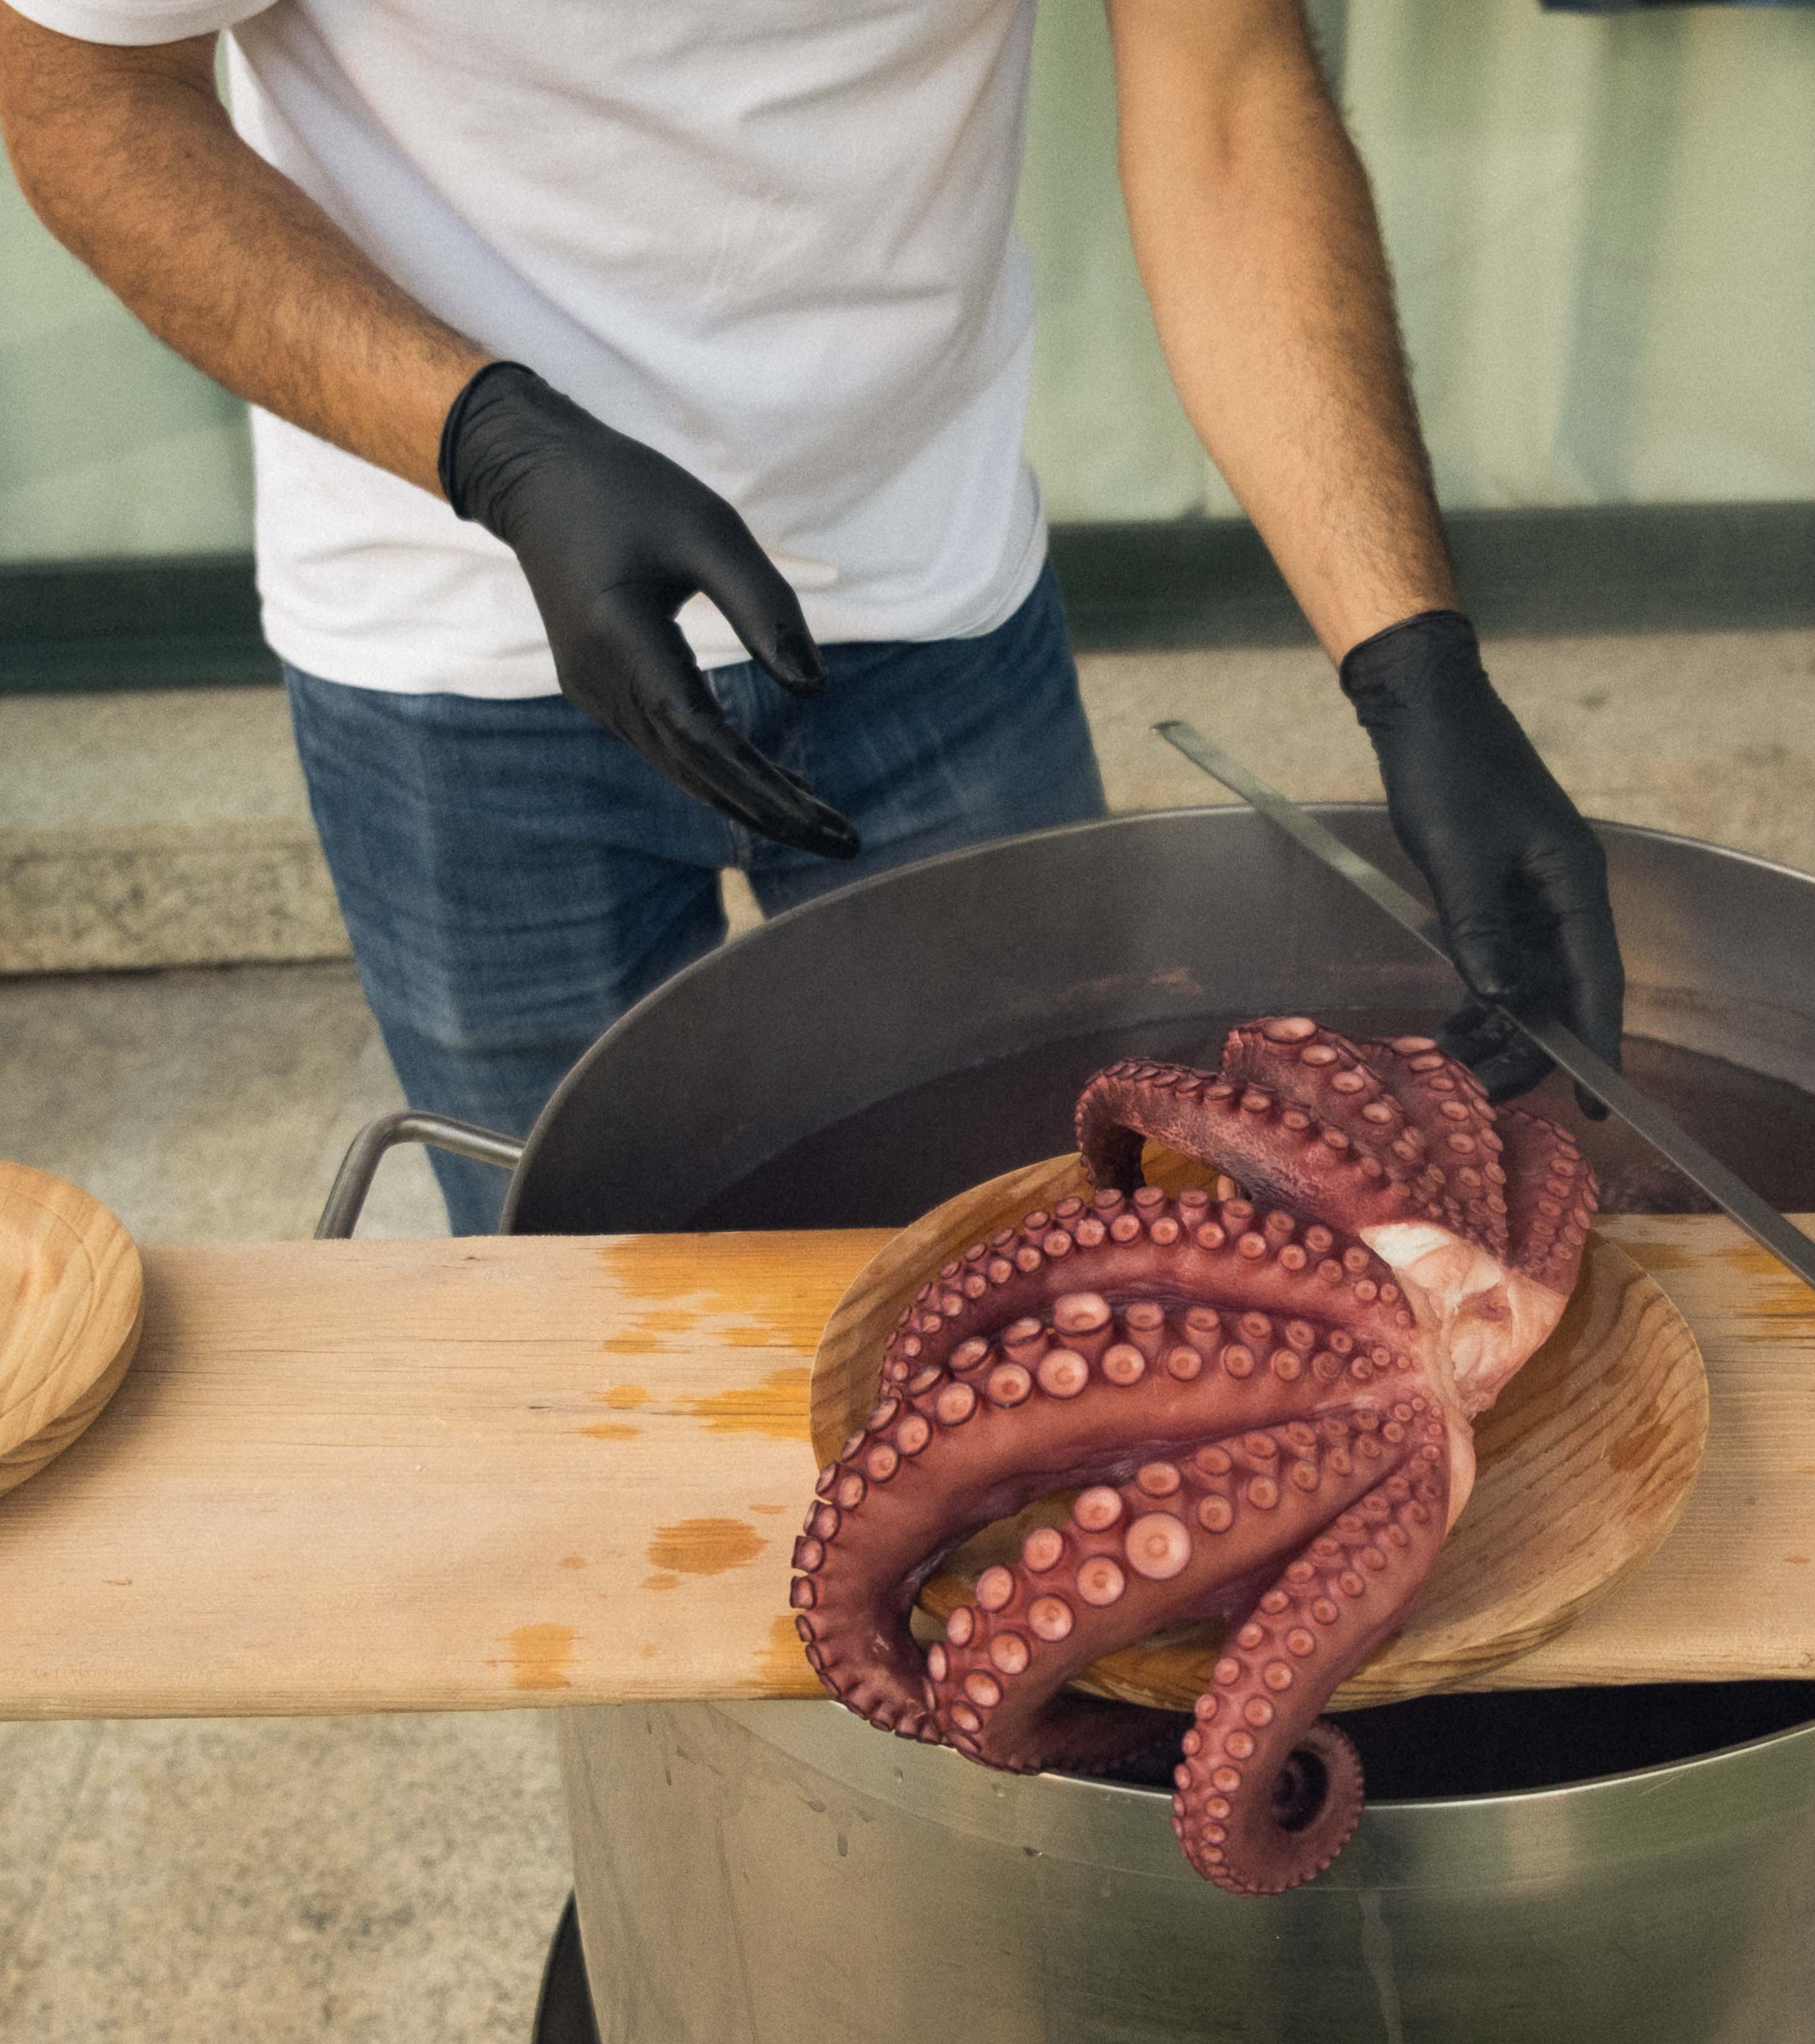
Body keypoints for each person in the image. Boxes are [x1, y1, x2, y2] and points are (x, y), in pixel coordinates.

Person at [0, 0, 1624, 1232]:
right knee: (566, 1269)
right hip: (448, 632)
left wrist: (1411, 663)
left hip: (935, 602)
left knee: (1032, 1213)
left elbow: (1227, 102)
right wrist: (494, 447)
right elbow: (81, 95)